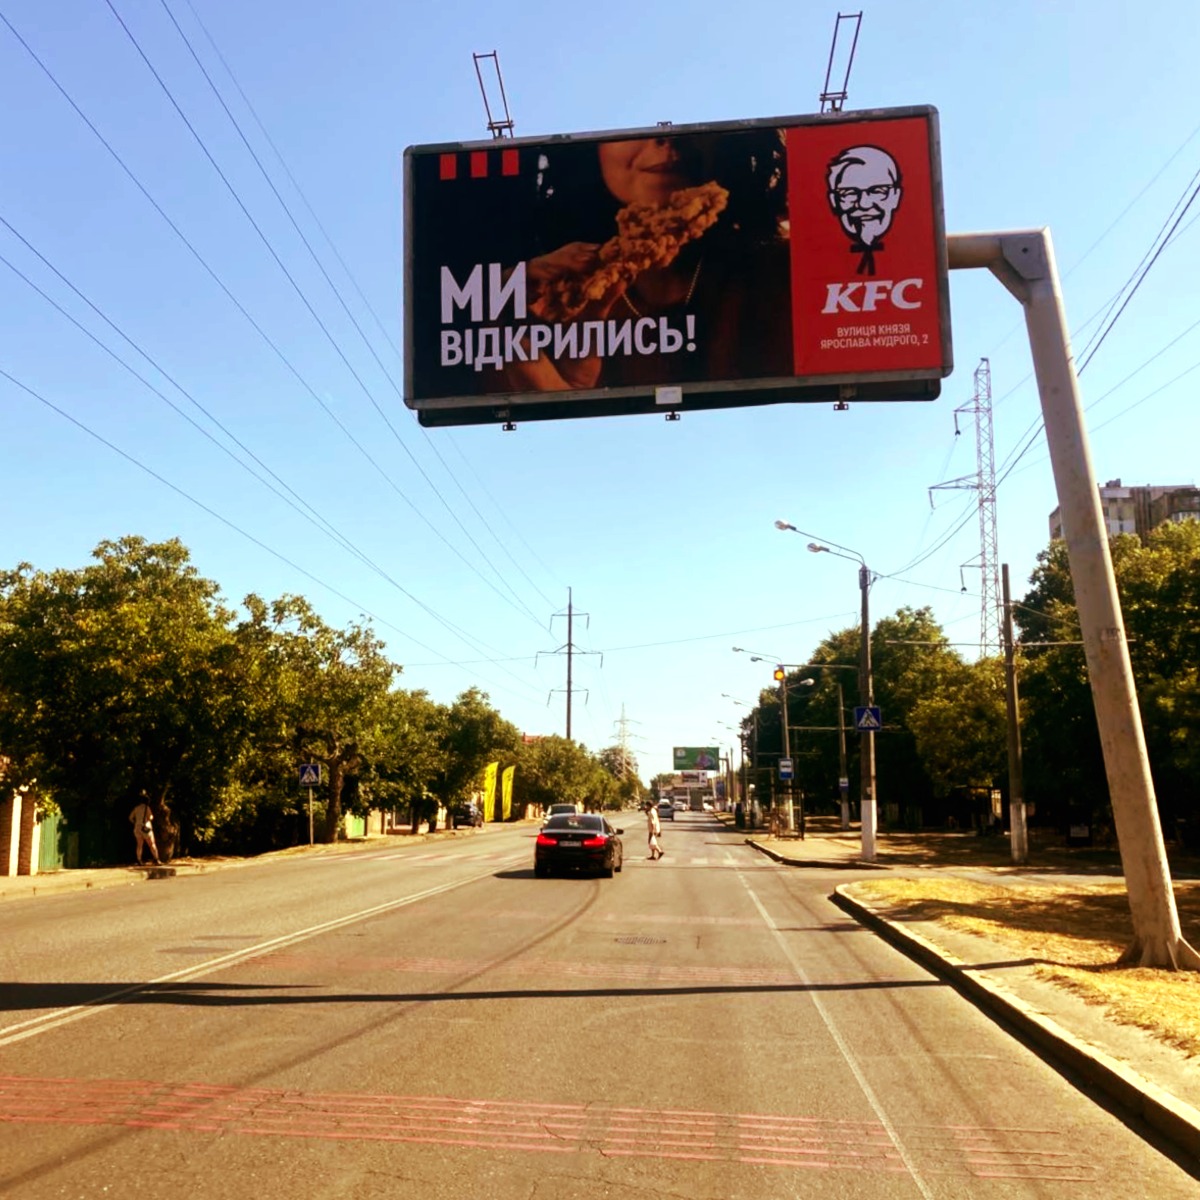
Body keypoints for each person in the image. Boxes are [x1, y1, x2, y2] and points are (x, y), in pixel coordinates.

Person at [502, 128, 794, 394]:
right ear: (591, 152)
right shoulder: (539, 297)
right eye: (627, 125)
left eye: (690, 120)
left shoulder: (787, 273)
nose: (664, 136)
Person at [129, 799, 161, 865]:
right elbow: (150, 817)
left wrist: (136, 822)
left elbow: (130, 818)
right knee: (152, 844)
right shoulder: (147, 808)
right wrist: (151, 818)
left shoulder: (136, 808)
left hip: (137, 828)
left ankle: (139, 860)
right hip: (146, 828)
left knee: (139, 845)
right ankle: (156, 859)